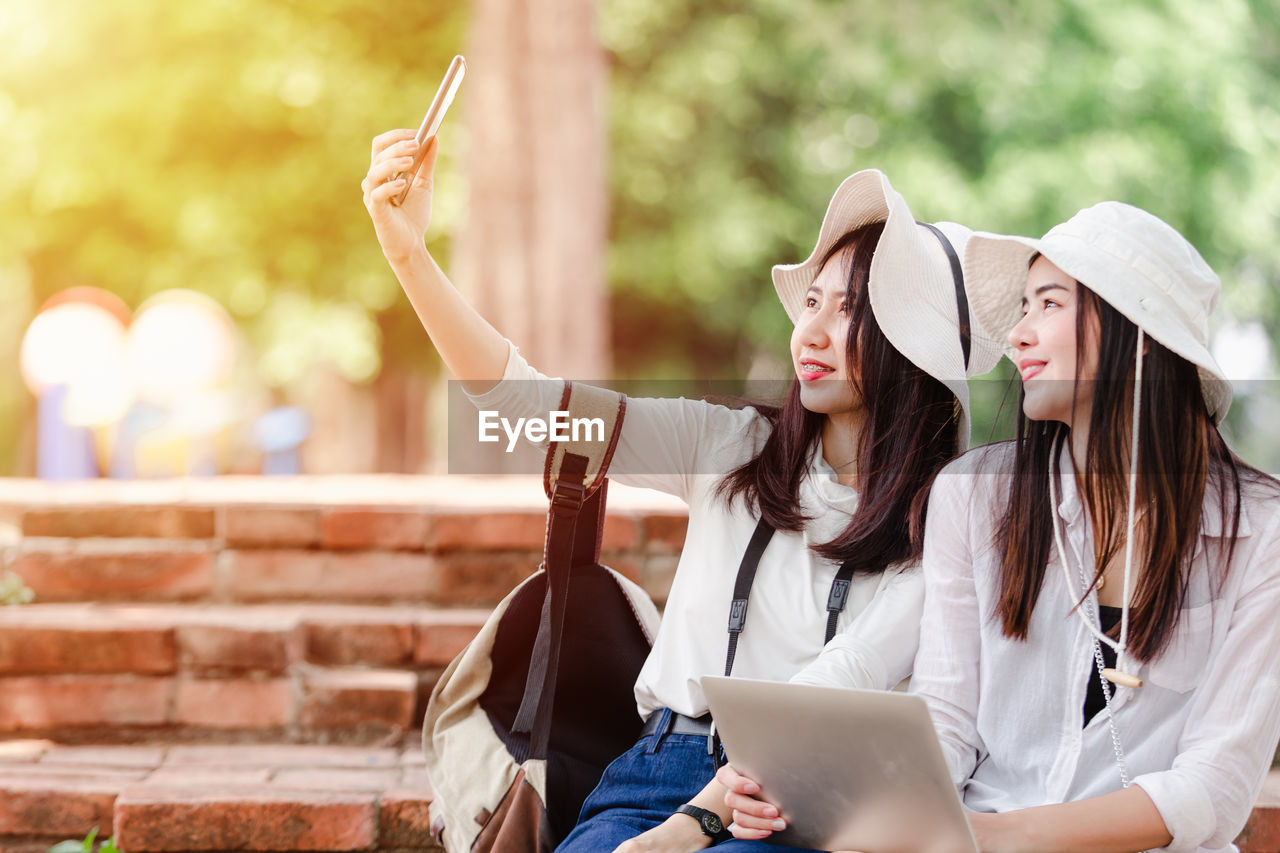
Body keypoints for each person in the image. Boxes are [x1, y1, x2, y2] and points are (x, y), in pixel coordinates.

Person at [361, 131, 999, 852]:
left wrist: (692, 825)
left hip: (798, 802)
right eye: (810, 300)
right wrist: (409, 255)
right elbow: (527, 405)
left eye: (848, 310)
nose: (809, 332)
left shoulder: (940, 526)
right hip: (656, 770)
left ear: (910, 344)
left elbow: (847, 678)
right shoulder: (726, 448)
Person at [719, 201, 1280, 853]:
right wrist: (831, 796)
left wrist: (992, 836)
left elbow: (1214, 786)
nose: (1017, 336)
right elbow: (947, 725)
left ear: (1142, 331)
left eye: (1048, 304)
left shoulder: (1262, 532)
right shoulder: (975, 499)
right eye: (1022, 308)